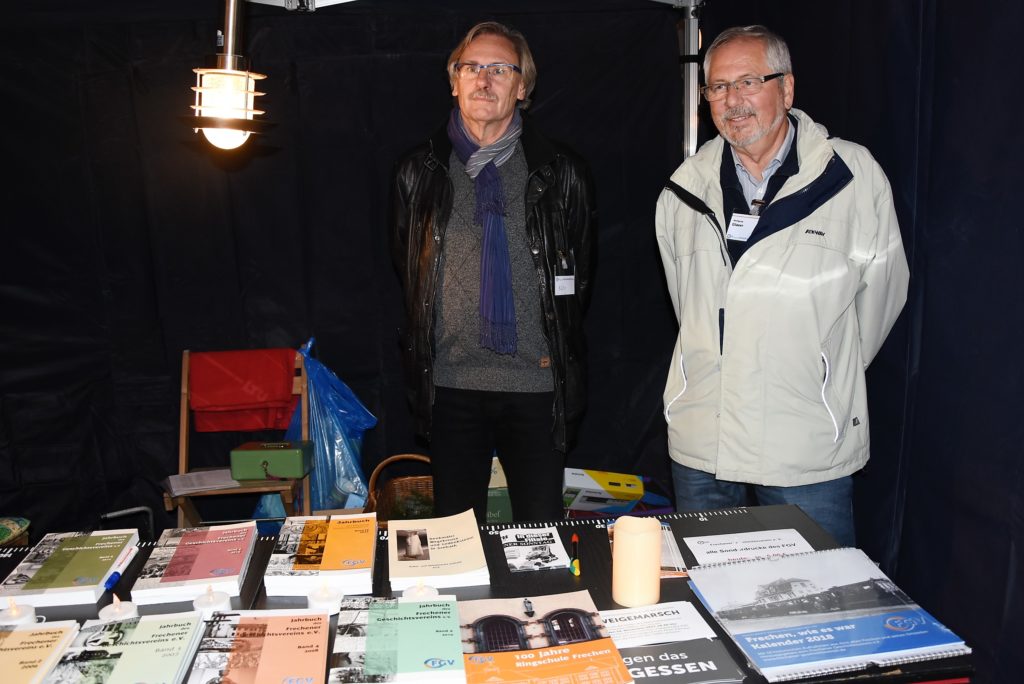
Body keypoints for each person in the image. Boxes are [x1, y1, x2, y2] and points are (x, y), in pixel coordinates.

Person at [654, 25, 909, 546]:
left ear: (787, 89)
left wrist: (817, 371)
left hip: (805, 442)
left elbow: (882, 296)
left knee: (820, 602)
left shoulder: (853, 177)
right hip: (706, 439)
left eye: (748, 82)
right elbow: (689, 306)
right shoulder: (684, 189)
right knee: (709, 597)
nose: (732, 101)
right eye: (718, 88)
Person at [391, 21, 596, 524]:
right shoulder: (418, 171)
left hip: (536, 385)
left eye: (500, 69)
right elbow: (407, 271)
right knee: (454, 546)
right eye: (472, 67)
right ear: (453, 81)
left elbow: (579, 277)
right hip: (451, 385)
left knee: (538, 540)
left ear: (522, 87)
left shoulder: (561, 170)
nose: (484, 79)